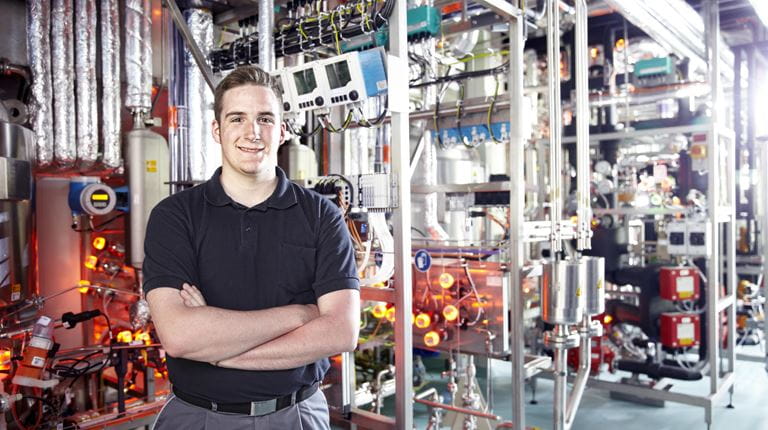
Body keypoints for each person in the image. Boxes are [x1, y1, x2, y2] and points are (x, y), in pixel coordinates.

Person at [142, 65, 360, 429]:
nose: (252, 133)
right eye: (237, 118)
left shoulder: (321, 215)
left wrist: (218, 353)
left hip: (298, 415)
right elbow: (180, 337)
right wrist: (300, 315)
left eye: (265, 118)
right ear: (217, 129)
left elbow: (341, 332)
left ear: (283, 130)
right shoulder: (175, 215)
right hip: (199, 416)